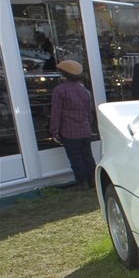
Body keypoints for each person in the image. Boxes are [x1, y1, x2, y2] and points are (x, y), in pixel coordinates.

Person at [50, 60, 96, 190]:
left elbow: (56, 112)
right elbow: (89, 112)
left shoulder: (60, 90)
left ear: (63, 74)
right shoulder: (84, 91)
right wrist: (89, 125)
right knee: (87, 155)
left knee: (75, 157)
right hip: (85, 130)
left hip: (69, 131)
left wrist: (54, 131)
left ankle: (82, 182)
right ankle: (93, 180)